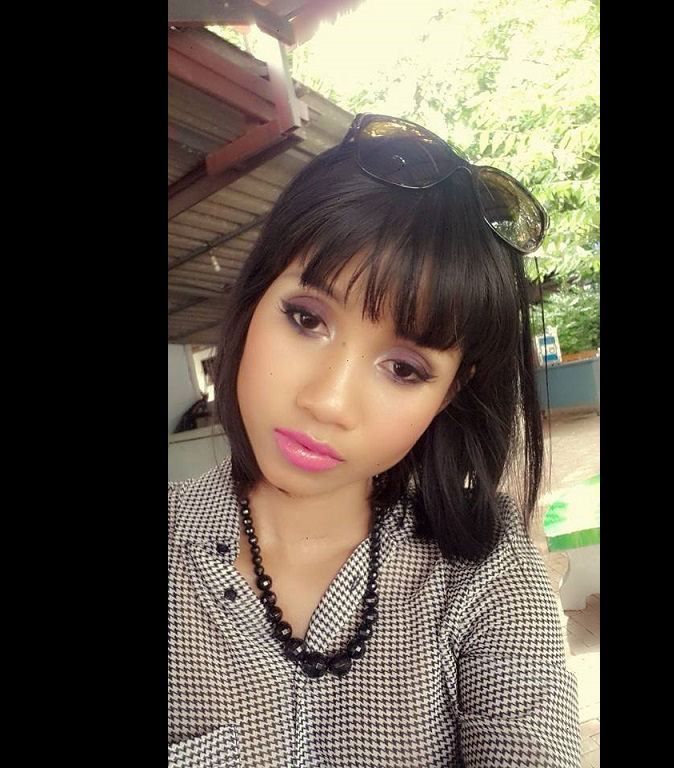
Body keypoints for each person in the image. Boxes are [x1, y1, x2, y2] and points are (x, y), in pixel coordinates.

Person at [168, 114, 581, 767]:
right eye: (307, 319)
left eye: (404, 368)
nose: (328, 401)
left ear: (449, 393)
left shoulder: (484, 567)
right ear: (255, 298)